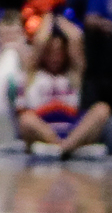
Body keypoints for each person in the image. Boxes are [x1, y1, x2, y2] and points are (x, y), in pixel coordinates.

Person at [15, 14, 108, 159]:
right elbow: (39, 42)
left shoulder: (72, 75)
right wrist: (48, 16)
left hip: (73, 128)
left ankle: (64, 147)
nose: (55, 57)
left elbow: (76, 38)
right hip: (43, 127)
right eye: (50, 52)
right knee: (26, 119)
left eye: (59, 52)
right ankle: (62, 147)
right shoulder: (33, 74)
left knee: (102, 109)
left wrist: (59, 17)